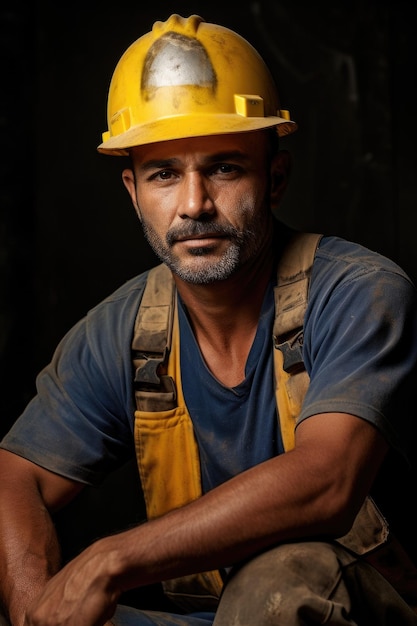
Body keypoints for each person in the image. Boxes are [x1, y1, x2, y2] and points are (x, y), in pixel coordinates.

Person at [0, 12, 417, 626]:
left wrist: (111, 559)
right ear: (133, 191)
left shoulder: (361, 294)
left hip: (365, 604)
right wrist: (37, 610)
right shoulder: (122, 333)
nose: (193, 204)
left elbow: (328, 482)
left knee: (278, 583)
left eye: (223, 167)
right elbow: (16, 480)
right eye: (164, 174)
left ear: (275, 178)